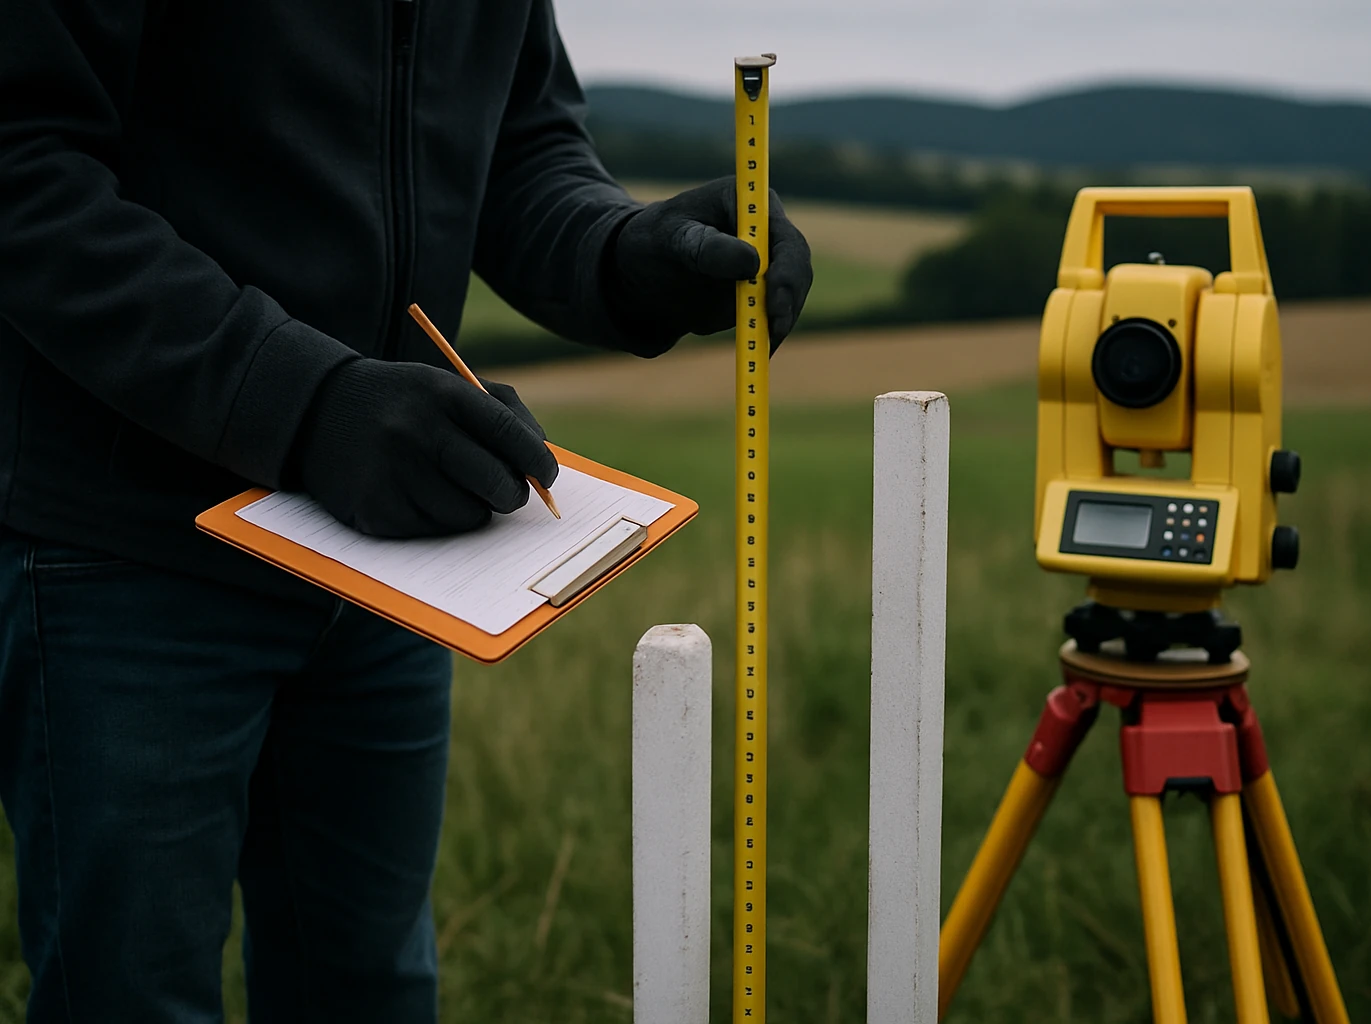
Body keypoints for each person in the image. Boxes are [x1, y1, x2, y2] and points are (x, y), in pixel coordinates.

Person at [0, 0, 813, 1019]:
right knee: (129, 999)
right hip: (126, 550)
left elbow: (518, 148)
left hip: (385, 552)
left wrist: (621, 253)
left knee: (371, 989)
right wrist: (304, 401)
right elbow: (23, 165)